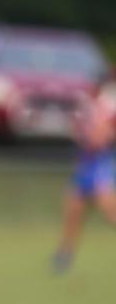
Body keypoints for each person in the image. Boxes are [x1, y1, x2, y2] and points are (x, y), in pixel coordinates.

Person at [52, 86, 116, 273]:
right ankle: (65, 254)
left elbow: (101, 139)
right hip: (84, 168)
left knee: (110, 212)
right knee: (72, 212)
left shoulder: (108, 107)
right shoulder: (87, 109)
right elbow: (80, 134)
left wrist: (92, 136)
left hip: (100, 168)